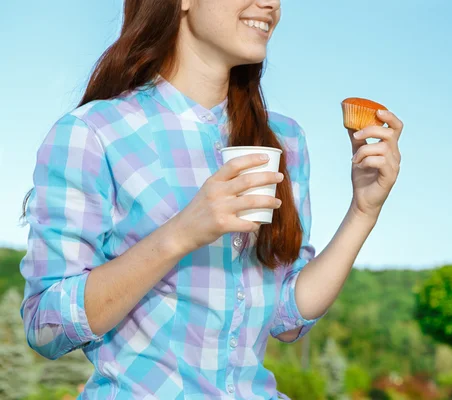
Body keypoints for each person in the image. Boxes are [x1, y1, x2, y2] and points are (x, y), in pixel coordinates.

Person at [18, 0, 404, 398]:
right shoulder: (93, 133)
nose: (271, 4)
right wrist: (182, 233)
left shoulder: (284, 139)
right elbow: (45, 326)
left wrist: (363, 210)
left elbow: (286, 316)